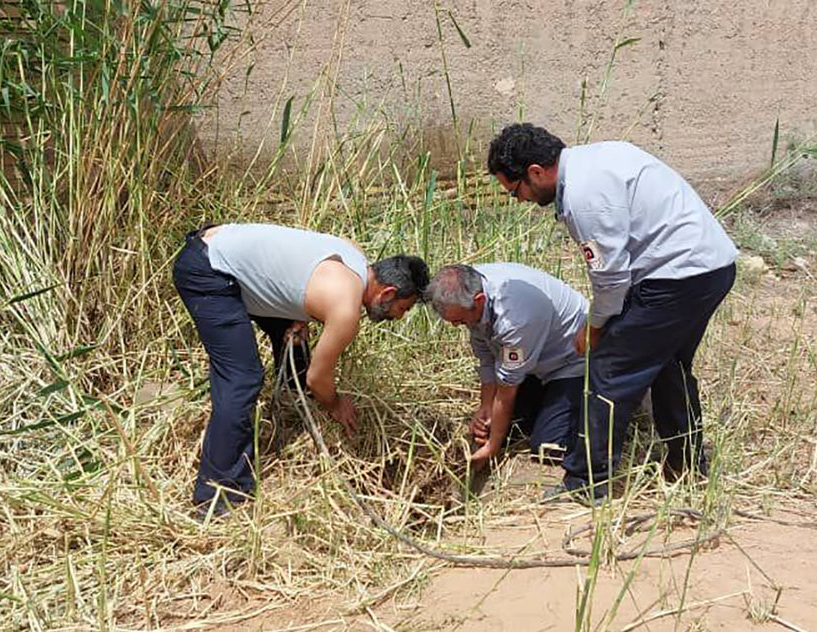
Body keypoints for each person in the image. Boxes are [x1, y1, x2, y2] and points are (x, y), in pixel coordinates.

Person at [487, 123, 738, 502]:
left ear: (536, 172)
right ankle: (686, 466)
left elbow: (610, 278)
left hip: (676, 276)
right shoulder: (596, 160)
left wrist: (595, 327)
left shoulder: (584, 198)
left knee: (608, 371)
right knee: (667, 365)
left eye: (515, 189)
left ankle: (586, 482)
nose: (518, 199)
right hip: (708, 268)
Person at [172, 223, 429, 515]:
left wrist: (299, 311)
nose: (398, 317)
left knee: (293, 338)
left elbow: (298, 271)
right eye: (403, 309)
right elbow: (318, 379)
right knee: (242, 378)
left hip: (217, 246)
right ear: (387, 293)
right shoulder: (346, 309)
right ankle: (218, 496)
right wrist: (334, 403)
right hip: (209, 272)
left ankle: (291, 410)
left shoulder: (355, 257)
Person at [426, 263, 588, 468]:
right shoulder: (471, 286)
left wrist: (493, 447)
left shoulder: (514, 320)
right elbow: (487, 358)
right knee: (507, 426)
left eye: (459, 321)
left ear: (479, 301)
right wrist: (485, 407)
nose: (456, 326)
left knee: (548, 448)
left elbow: (507, 390)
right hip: (533, 361)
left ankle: (589, 404)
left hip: (570, 361)